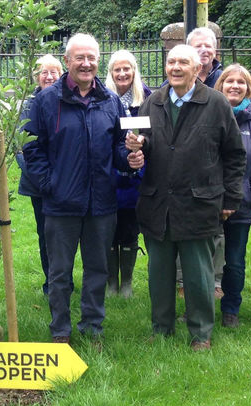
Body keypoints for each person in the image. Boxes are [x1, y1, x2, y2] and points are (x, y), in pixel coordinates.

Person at [23, 33, 144, 344]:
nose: (86, 63)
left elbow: (117, 146)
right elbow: (32, 149)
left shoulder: (110, 101)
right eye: (80, 58)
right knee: (60, 274)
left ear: (97, 61)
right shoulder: (47, 101)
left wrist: (129, 157)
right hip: (61, 204)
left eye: (92, 58)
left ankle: (92, 327)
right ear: (68, 61)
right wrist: (50, 185)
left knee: (97, 271)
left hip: (101, 203)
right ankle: (60, 330)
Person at [127, 44, 245, 351]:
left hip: (199, 203)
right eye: (171, 62)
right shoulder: (154, 101)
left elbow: (234, 155)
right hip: (158, 204)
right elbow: (146, 142)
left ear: (198, 69)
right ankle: (161, 327)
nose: (175, 67)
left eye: (183, 62)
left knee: (198, 275)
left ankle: (201, 333)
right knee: (159, 273)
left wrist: (231, 198)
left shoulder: (217, 103)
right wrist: (138, 146)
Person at [214, 64, 251, 328]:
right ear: (221, 86)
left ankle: (230, 309)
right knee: (204, 260)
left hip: (241, 205)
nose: (235, 86)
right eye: (229, 81)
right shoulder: (208, 117)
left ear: (248, 88)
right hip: (208, 204)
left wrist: (246, 196)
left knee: (235, 262)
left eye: (241, 82)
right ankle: (200, 306)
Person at [173, 27, 226, 299]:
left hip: (209, 185)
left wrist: (231, 194)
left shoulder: (222, 85)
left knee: (210, 244)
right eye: (198, 46)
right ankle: (184, 286)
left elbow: (232, 150)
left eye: (208, 45)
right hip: (176, 188)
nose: (203, 50)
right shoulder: (165, 93)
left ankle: (214, 288)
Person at [104, 49, 152, 298]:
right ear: (111, 73)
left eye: (127, 68)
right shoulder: (103, 99)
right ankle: (111, 282)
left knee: (130, 229)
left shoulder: (148, 99)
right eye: (117, 69)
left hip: (138, 177)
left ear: (134, 71)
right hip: (110, 175)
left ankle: (127, 283)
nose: (122, 73)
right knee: (110, 230)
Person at [16, 54, 64, 295]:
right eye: (43, 72)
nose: (49, 76)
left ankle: (67, 281)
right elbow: (20, 146)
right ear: (37, 77)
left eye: (53, 72)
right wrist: (42, 177)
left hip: (67, 181)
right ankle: (51, 284)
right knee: (46, 234)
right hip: (39, 185)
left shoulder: (67, 98)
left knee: (67, 235)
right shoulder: (26, 105)